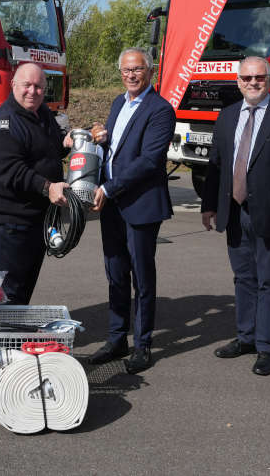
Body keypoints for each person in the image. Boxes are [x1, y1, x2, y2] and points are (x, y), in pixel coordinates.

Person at [201, 56, 270, 376]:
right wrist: (210, 206)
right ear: (238, 81)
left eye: (258, 78)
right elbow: (216, 166)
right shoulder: (227, 116)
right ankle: (245, 337)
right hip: (235, 212)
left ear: (269, 79)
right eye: (246, 78)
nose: (252, 83)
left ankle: (266, 347)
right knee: (244, 279)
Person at [0, 62, 97, 304]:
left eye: (39, 87)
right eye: (27, 85)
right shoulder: (7, 123)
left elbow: (49, 149)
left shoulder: (40, 113)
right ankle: (4, 341)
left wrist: (69, 142)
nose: (33, 91)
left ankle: (16, 335)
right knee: (7, 293)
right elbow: (11, 171)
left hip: (35, 217)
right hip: (10, 221)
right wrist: (48, 187)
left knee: (23, 288)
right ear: (13, 85)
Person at [88, 47, 175, 374]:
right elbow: (117, 150)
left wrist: (109, 188)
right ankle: (116, 339)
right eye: (126, 70)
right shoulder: (118, 103)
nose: (132, 75)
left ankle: (143, 345)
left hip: (139, 204)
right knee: (115, 273)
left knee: (142, 276)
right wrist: (101, 137)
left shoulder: (160, 109)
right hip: (111, 205)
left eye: (137, 69)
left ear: (150, 72)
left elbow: (149, 161)